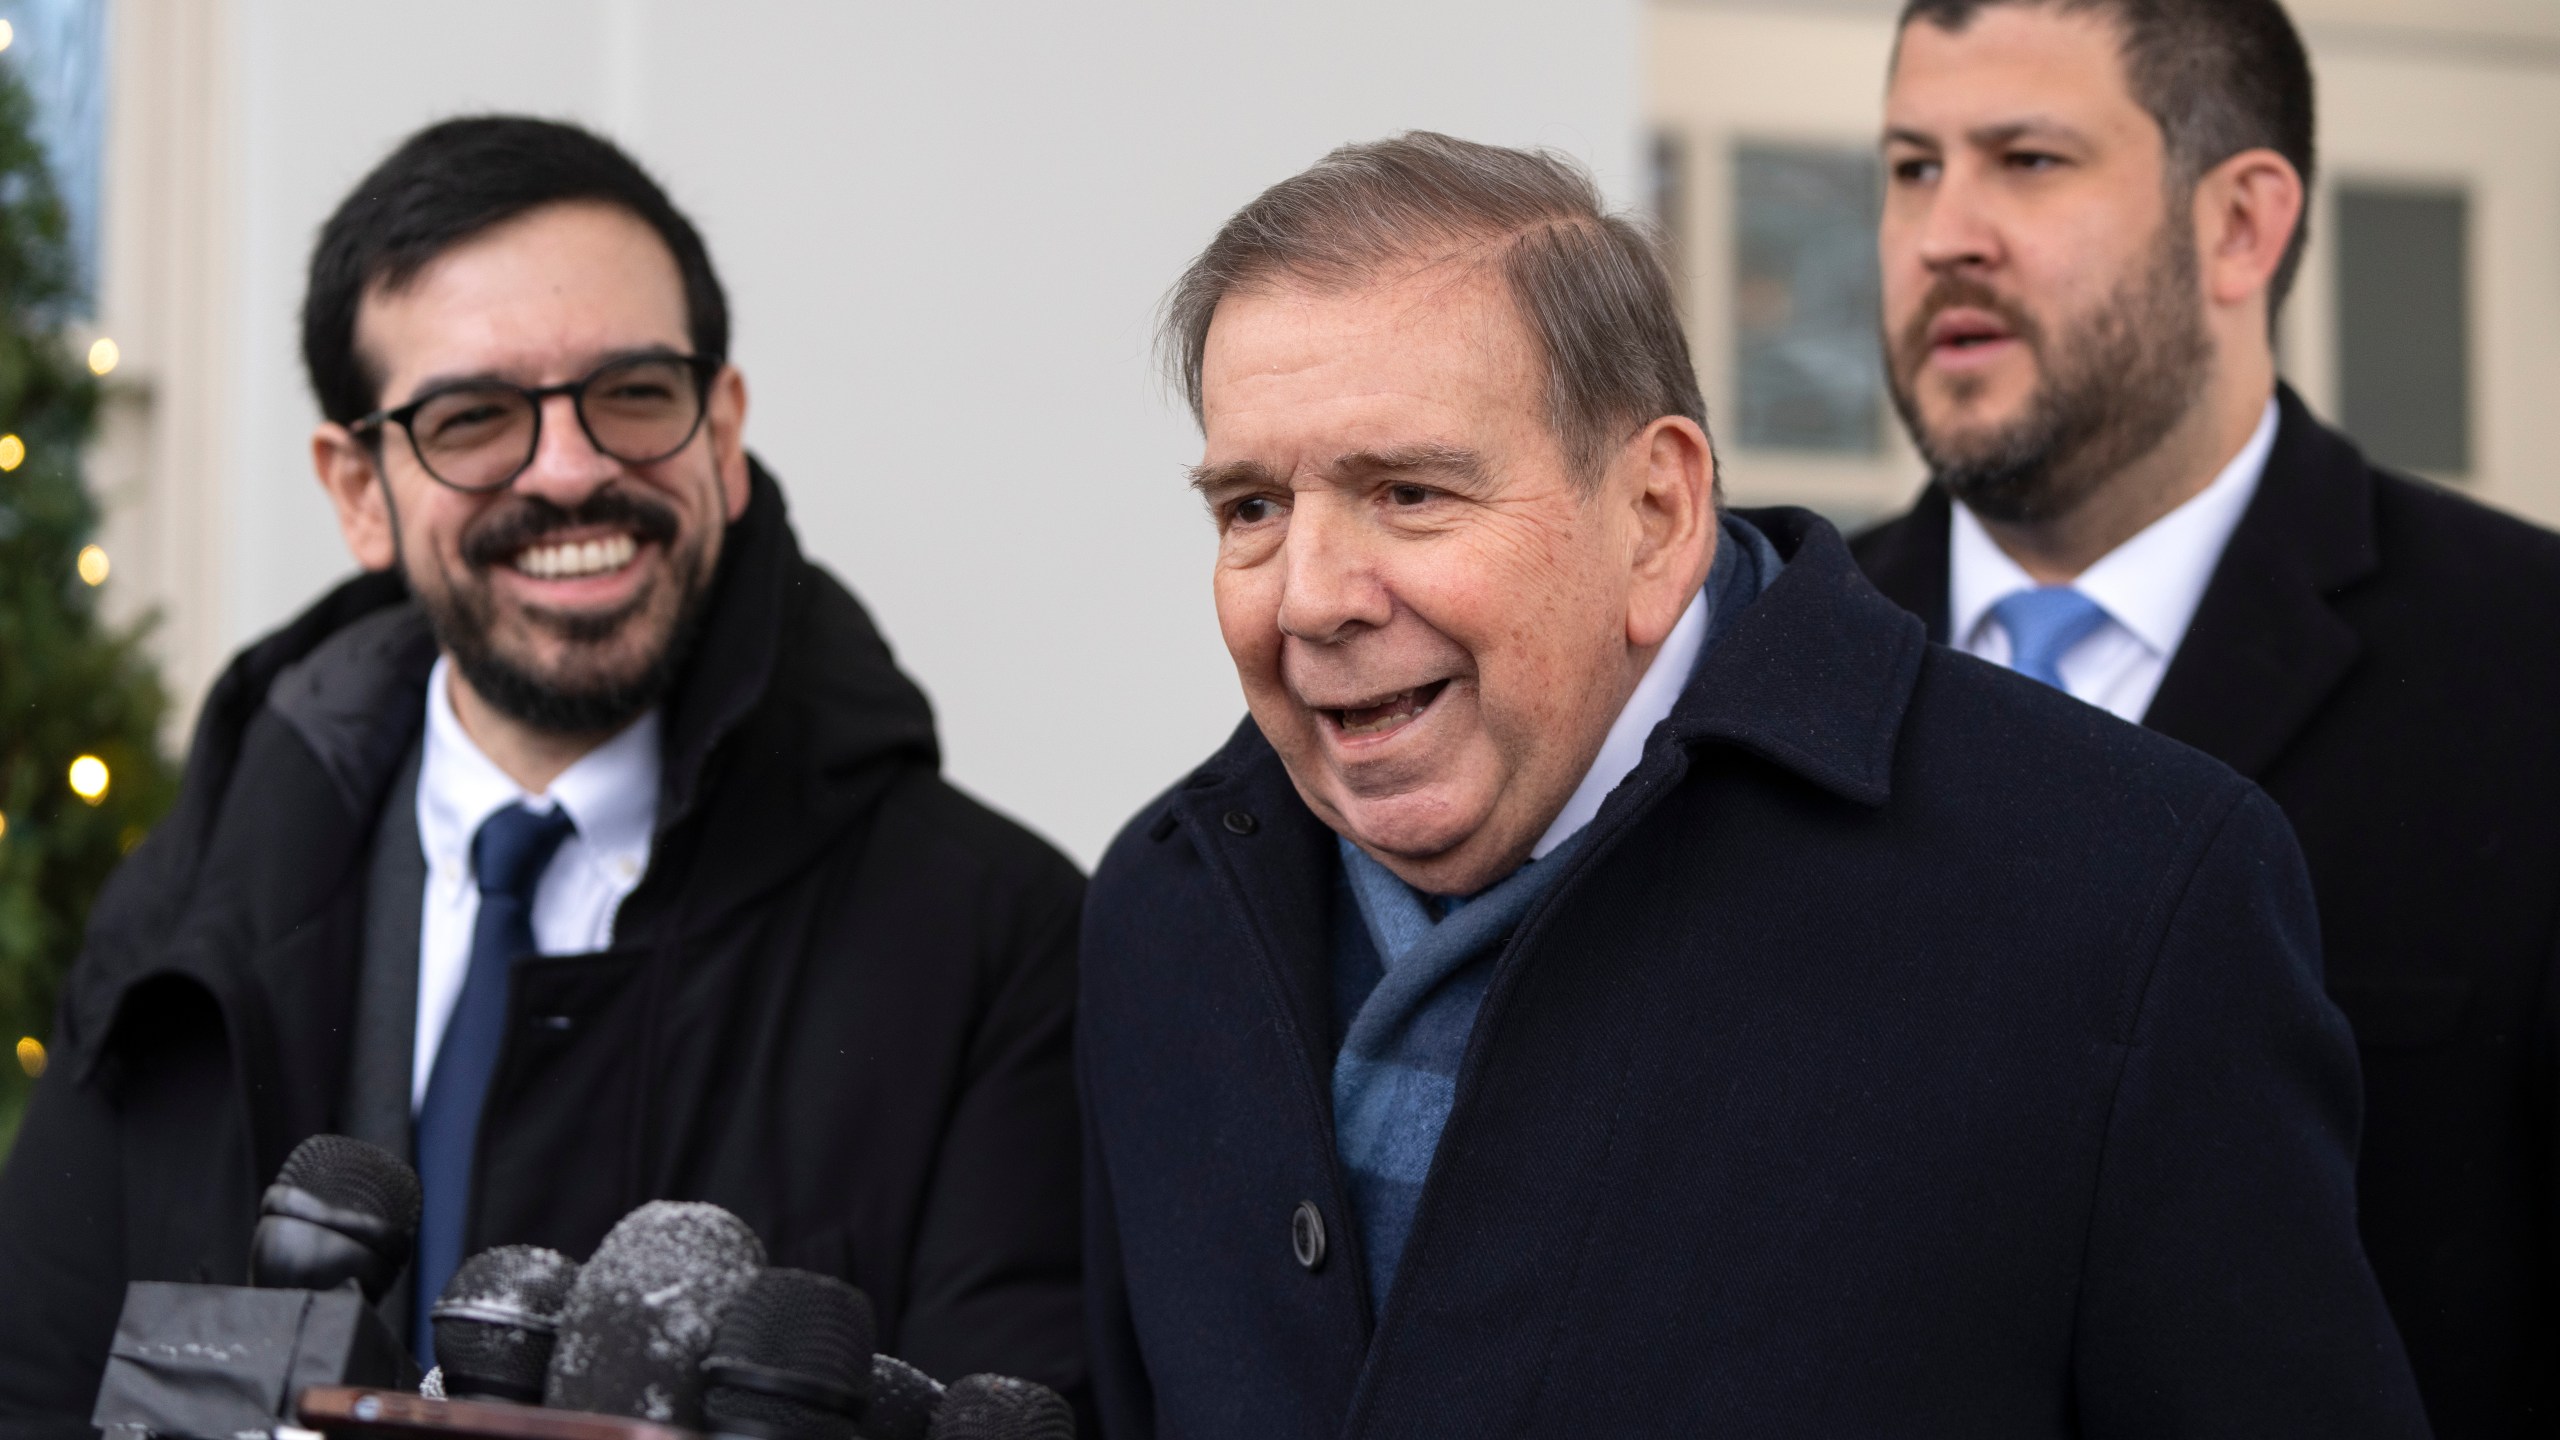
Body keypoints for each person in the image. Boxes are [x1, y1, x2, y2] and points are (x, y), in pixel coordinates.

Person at [1077, 130, 2425, 1438]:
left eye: (1411, 493)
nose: (1310, 598)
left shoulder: (2130, 899)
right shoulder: (1163, 912)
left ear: (1657, 514)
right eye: (1251, 508)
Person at [0, 117, 1084, 1429]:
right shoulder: (184, 922)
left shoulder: (994, 942)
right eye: (474, 418)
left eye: (632, 394)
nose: (571, 470)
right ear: (359, 490)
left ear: (723, 433)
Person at [1849, 1, 2560, 1430]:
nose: (1945, 233)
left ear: (2243, 225)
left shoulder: (2527, 664)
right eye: (1913, 166)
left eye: (2028, 160)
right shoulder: (1767, 667)